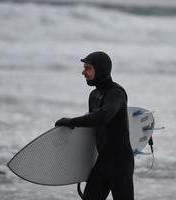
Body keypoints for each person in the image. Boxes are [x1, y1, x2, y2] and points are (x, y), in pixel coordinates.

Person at [55, 51, 134, 200]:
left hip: (120, 164)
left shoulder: (116, 93)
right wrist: (84, 166)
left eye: (88, 68)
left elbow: (103, 117)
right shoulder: (94, 96)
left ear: (101, 70)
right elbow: (92, 132)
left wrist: (71, 122)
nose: (83, 72)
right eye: (84, 68)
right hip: (102, 162)